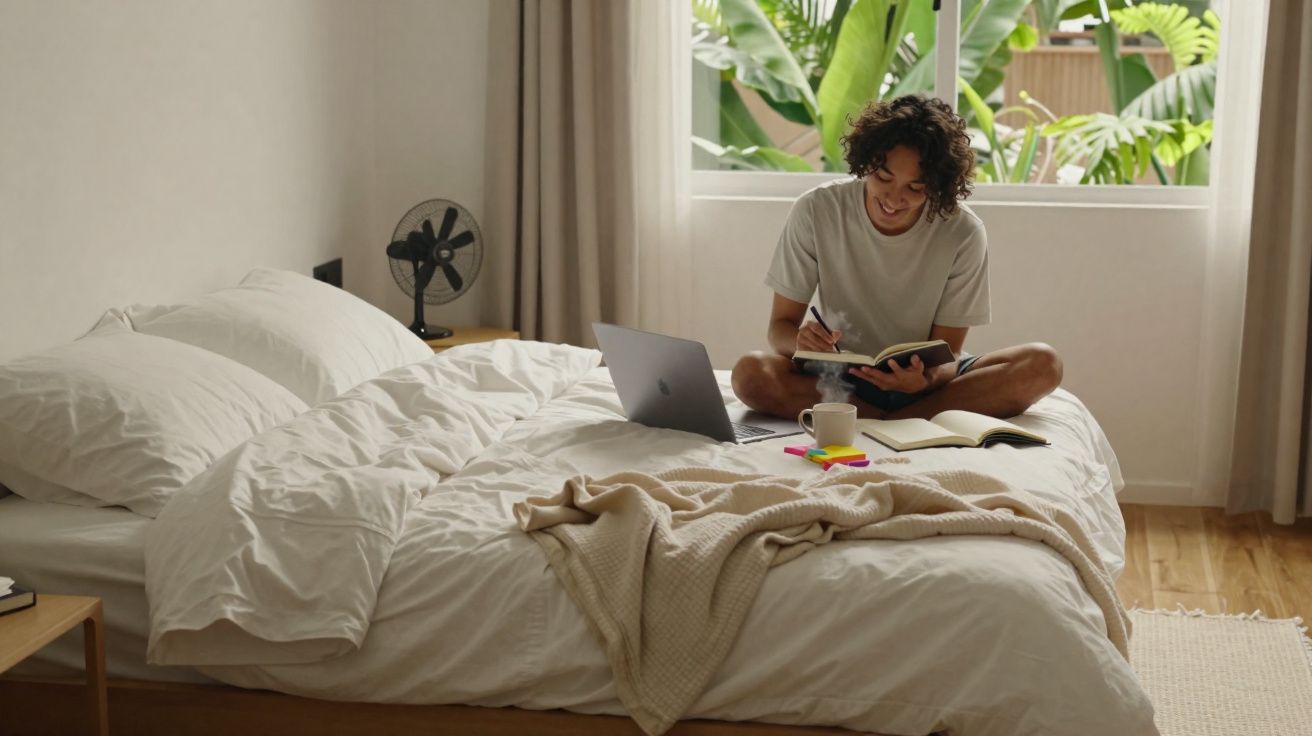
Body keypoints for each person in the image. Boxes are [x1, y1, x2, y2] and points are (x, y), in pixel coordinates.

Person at [731, 94, 1062, 422]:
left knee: (1042, 365)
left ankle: (886, 417)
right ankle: (897, 420)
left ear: (936, 186)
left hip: (924, 382)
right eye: (883, 177)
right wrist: (803, 342)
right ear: (866, 162)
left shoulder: (963, 231)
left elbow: (949, 354)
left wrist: (925, 380)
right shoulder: (817, 209)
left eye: (915, 188)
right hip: (839, 375)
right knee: (750, 373)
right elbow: (779, 330)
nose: (893, 198)